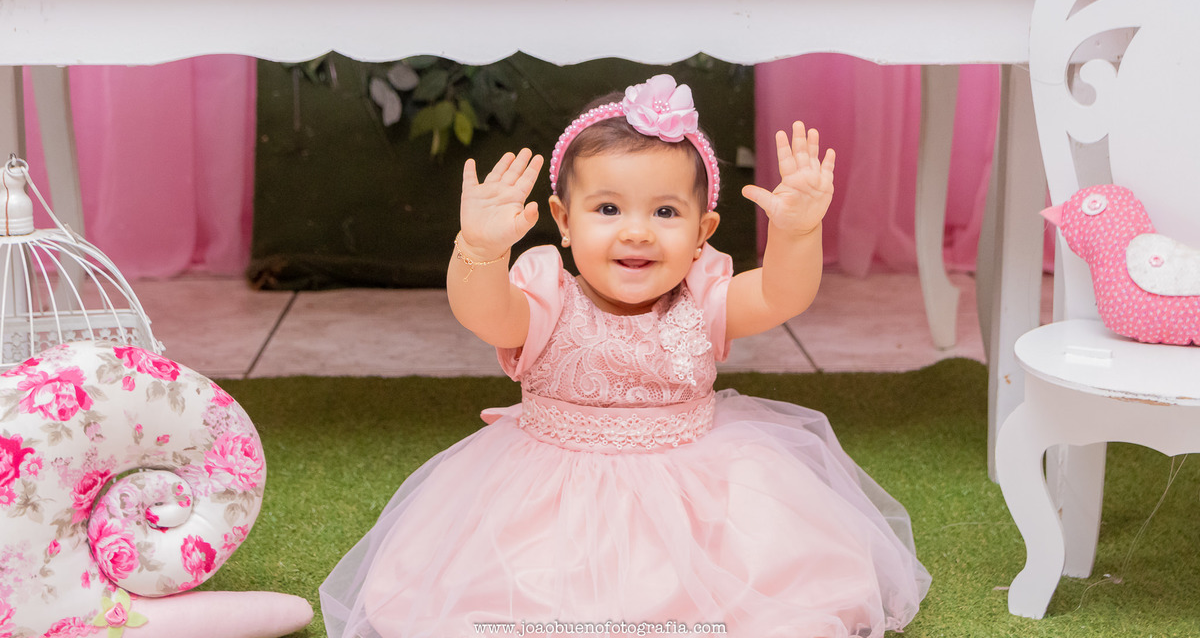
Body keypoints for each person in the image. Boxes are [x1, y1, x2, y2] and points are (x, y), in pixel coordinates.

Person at [320, 74, 930, 638]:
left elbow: (780, 293)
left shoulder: (704, 297)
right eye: (607, 209)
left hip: (699, 499)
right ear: (562, 219)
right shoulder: (546, 297)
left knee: (765, 596)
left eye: (666, 212)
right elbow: (484, 314)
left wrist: (798, 233)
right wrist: (479, 248)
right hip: (552, 500)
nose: (636, 231)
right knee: (518, 601)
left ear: (702, 232)